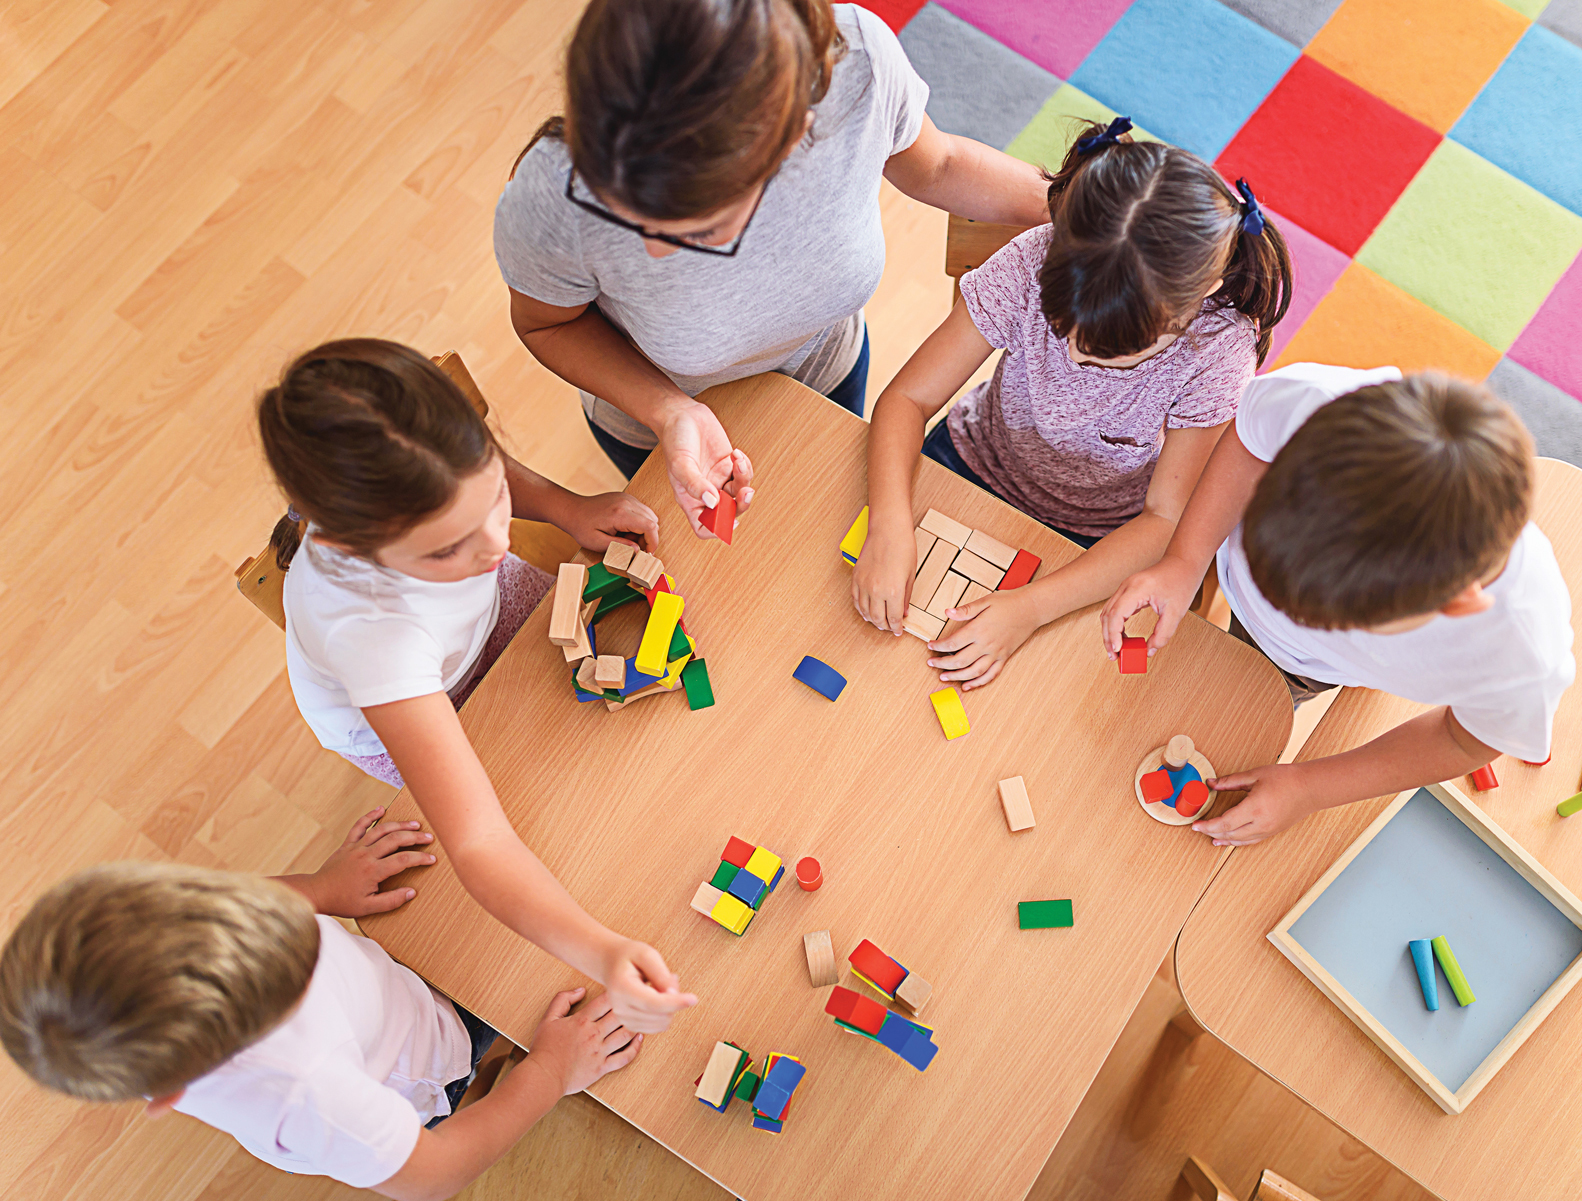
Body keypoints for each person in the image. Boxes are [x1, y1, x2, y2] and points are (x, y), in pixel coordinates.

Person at [261, 338, 694, 1031]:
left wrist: (559, 505)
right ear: (350, 544)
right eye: (446, 547)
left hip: (487, 620)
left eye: (493, 500)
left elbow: (477, 483)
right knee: (543, 806)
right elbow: (479, 842)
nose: (495, 543)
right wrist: (602, 951)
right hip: (412, 705)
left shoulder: (452, 507)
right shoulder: (371, 634)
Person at [494, 0, 1050, 538]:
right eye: (627, 218)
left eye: (694, 231)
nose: (655, 254)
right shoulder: (554, 194)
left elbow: (941, 164)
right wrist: (669, 411)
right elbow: (549, 322)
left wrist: (1091, 207)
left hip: (824, 376)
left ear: (790, 139)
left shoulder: (856, 64)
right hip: (656, 427)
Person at [0, 809, 641, 1201]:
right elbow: (434, 1174)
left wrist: (319, 888)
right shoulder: (304, 1094)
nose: (277, 925)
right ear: (166, 1097)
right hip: (433, 1064)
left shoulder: (184, 932)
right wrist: (551, 1073)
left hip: (392, 992)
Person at [851, 118, 1291, 689]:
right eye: (1065, 330)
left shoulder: (1217, 351)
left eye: (1113, 353)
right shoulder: (1030, 262)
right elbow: (908, 398)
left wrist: (1030, 608)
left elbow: (1166, 518)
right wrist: (888, 522)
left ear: (1195, 302)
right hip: (971, 463)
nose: (1078, 358)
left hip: (1100, 537)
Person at [1100, 366, 1576, 845]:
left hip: (1305, 667)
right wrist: (1186, 557)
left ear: (1456, 605)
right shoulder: (1315, 404)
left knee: (1235, 721)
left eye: (1349, 620)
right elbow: (1250, 439)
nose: (1280, 610)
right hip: (1221, 565)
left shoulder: (1520, 656)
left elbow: (1462, 739)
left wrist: (1308, 787)